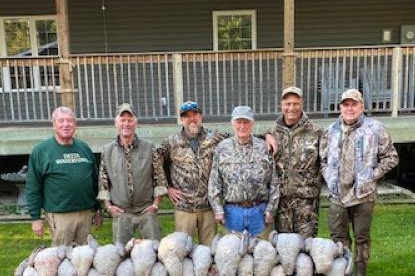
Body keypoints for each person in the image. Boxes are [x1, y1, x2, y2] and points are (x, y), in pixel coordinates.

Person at [320, 88, 398, 276]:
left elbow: (391, 157)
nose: (350, 108)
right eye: (346, 104)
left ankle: (361, 273)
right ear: (340, 107)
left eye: (354, 104)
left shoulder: (376, 128)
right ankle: (343, 273)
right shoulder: (330, 131)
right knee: (338, 238)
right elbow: (323, 160)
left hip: (363, 195)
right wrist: (329, 177)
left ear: (361, 106)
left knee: (362, 236)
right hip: (338, 195)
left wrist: (371, 175)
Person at [25, 106, 102, 246]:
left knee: (85, 258)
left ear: (75, 124)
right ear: (54, 125)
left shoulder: (84, 148)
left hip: (85, 213)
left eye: (69, 121)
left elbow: (94, 181)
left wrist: (97, 208)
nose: (66, 124)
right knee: (62, 259)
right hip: (60, 215)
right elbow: (33, 186)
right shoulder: (41, 151)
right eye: (61, 121)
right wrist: (36, 218)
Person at [98, 103, 167, 246]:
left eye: (130, 120)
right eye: (122, 120)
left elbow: (159, 177)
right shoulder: (107, 150)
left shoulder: (149, 147)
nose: (126, 124)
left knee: (153, 253)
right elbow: (103, 181)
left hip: (146, 211)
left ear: (136, 122)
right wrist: (109, 206)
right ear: (116, 123)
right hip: (121, 212)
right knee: (120, 254)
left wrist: (155, 204)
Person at [159, 100, 227, 245]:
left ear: (201, 116)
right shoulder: (171, 142)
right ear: (182, 120)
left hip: (208, 205)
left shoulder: (214, 137)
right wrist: (167, 188)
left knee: (209, 251)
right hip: (184, 206)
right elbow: (156, 163)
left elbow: (240, 137)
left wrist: (267, 136)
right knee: (182, 250)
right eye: (187, 116)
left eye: (195, 114)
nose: (192, 119)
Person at [208, 106, 279, 237]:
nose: (242, 126)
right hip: (232, 213)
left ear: (252, 124)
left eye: (246, 122)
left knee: (263, 253)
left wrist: (271, 209)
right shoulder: (222, 148)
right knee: (232, 253)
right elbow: (214, 182)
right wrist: (218, 209)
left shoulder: (264, 147)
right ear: (232, 123)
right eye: (238, 122)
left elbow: (274, 182)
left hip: (259, 212)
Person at [264, 86, 323, 237]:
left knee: (307, 248)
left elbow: (326, 162)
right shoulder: (273, 132)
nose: (291, 108)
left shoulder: (317, 132)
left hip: (307, 203)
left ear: (301, 104)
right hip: (282, 202)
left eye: (295, 103)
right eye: (288, 104)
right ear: (281, 105)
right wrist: (265, 135)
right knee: (284, 248)